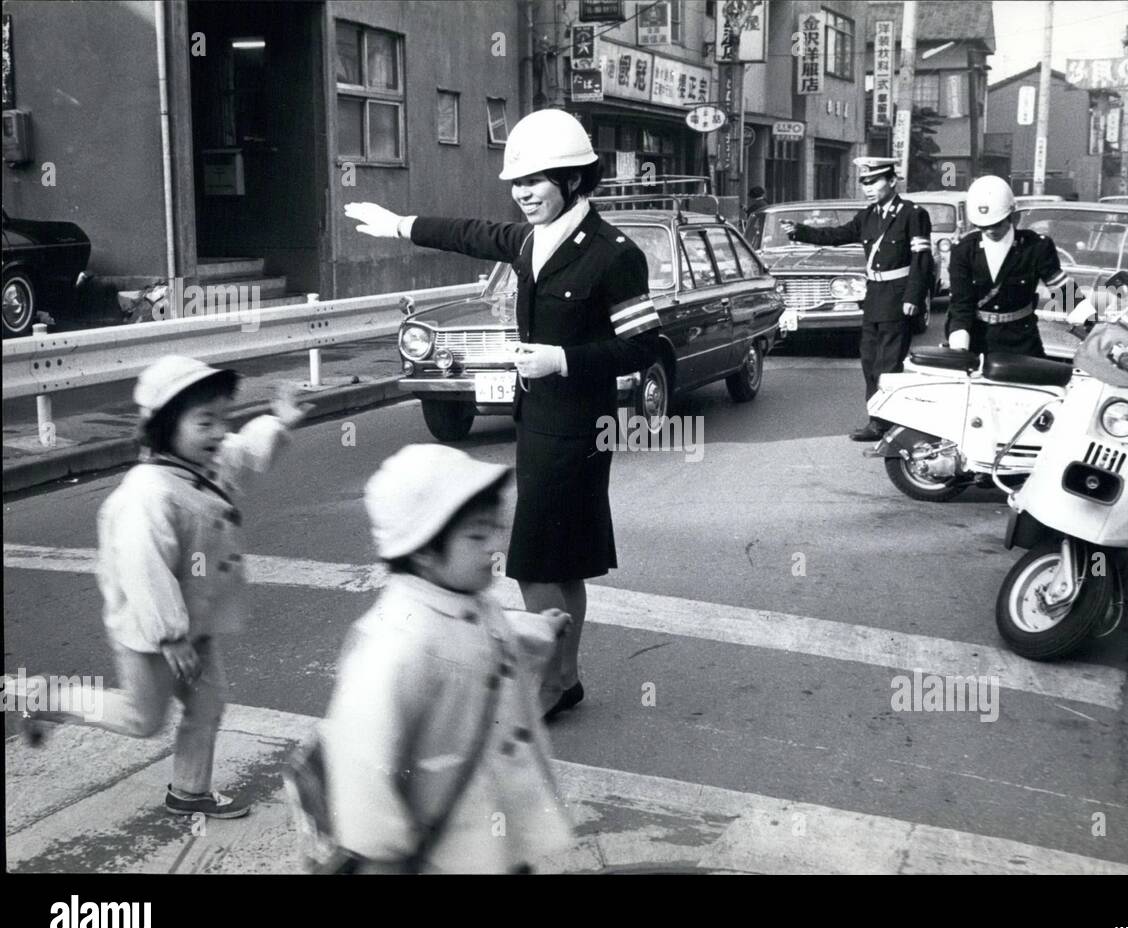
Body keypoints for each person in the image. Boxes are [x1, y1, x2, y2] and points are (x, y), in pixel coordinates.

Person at [344, 108, 661, 719]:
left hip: (579, 427)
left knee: (537, 561)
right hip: (537, 419)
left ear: (572, 180)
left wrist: (561, 359)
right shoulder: (527, 241)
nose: (523, 195)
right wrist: (400, 225)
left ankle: (551, 678)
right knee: (564, 559)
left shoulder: (613, 254)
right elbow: (469, 232)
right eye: (517, 184)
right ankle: (564, 677)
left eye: (535, 182)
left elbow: (644, 344)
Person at [9, 356, 308, 818]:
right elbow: (144, 570)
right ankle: (41, 698)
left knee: (208, 703)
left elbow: (245, 451)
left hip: (198, 623)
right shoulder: (147, 493)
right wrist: (170, 635)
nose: (217, 433)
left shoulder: (203, 463)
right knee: (142, 718)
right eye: (204, 422)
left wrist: (277, 423)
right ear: (166, 427)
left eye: (220, 419)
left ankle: (189, 790)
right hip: (152, 631)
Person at [322, 445, 574, 874]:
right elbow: (361, 756)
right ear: (422, 550)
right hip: (442, 851)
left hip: (493, 830)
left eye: (495, 528)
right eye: (477, 535)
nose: (496, 544)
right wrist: (380, 851)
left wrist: (540, 629)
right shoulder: (396, 643)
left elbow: (489, 633)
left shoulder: (465, 598)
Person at [779, 157, 934, 442]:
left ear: (891, 181)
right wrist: (800, 232)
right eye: (864, 183)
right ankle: (879, 416)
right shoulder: (868, 216)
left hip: (898, 298)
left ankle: (882, 422)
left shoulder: (912, 214)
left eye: (873, 182)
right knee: (869, 362)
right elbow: (837, 235)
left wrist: (914, 296)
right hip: (874, 297)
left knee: (888, 364)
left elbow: (922, 260)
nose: (868, 189)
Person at [946, 175, 1091, 359]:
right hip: (977, 340)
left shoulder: (1036, 246)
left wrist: (1090, 321)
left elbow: (1061, 288)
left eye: (996, 224)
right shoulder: (964, 250)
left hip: (1022, 341)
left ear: (1014, 216)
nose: (990, 231)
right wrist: (959, 350)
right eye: (982, 226)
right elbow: (961, 305)